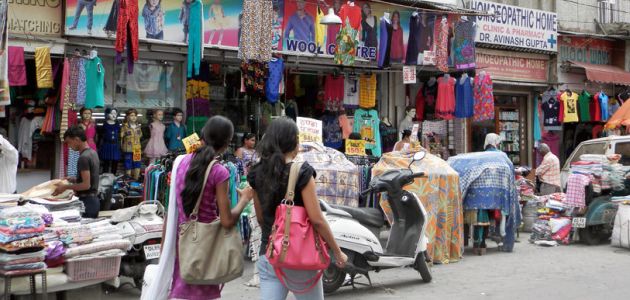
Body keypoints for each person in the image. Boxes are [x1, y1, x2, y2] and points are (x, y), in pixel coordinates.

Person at [248, 117, 347, 299]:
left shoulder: (256, 172)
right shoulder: (302, 172)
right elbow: (317, 220)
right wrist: (337, 251)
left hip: (269, 254)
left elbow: (261, 219)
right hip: (299, 256)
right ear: (293, 141)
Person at [167, 116, 252, 300]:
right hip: (206, 249)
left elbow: (171, 208)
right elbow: (227, 221)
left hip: (183, 246)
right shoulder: (219, 171)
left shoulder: (181, 162)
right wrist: (244, 199)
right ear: (227, 143)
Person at [54, 126, 101, 218]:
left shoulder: (83, 158)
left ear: (76, 139)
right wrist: (74, 179)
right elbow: (90, 179)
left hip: (87, 202)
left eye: (69, 142)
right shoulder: (93, 152)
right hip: (93, 200)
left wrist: (65, 187)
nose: (69, 146)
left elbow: (86, 185)